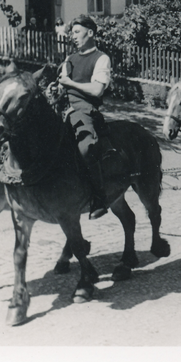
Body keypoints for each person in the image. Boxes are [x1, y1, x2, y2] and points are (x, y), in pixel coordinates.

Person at [58, 15, 112, 220]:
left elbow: (97, 90)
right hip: (64, 108)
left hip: (86, 110)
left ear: (90, 33)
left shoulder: (101, 58)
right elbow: (61, 84)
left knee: (86, 147)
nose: (74, 37)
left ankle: (99, 197)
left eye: (77, 32)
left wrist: (70, 84)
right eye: (72, 33)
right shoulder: (69, 60)